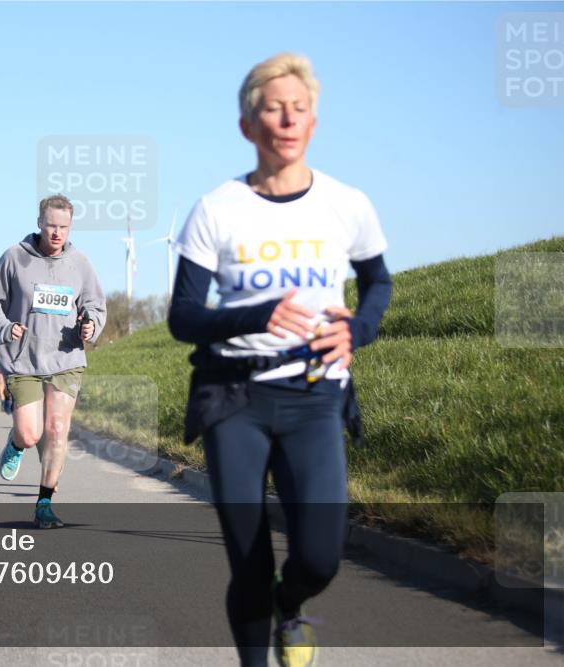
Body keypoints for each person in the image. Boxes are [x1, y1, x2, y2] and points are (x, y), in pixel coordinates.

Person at [168, 53, 392, 667]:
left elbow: (377, 282)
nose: (288, 120)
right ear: (248, 125)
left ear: (313, 122)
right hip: (234, 399)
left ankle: (289, 604)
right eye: (273, 109)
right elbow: (183, 316)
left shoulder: (346, 204)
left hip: (315, 394)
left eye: (299, 109)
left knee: (320, 557)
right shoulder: (217, 208)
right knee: (248, 561)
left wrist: (359, 330)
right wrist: (256, 315)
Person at [0, 193, 106, 529]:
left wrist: (91, 325)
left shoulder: (80, 262)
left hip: (66, 358)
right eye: (51, 226)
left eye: (63, 227)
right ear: (39, 222)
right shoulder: (14, 257)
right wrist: (5, 327)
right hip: (24, 360)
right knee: (30, 433)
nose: (56, 233)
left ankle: (45, 502)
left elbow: (94, 305)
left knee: (58, 429)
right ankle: (16, 442)